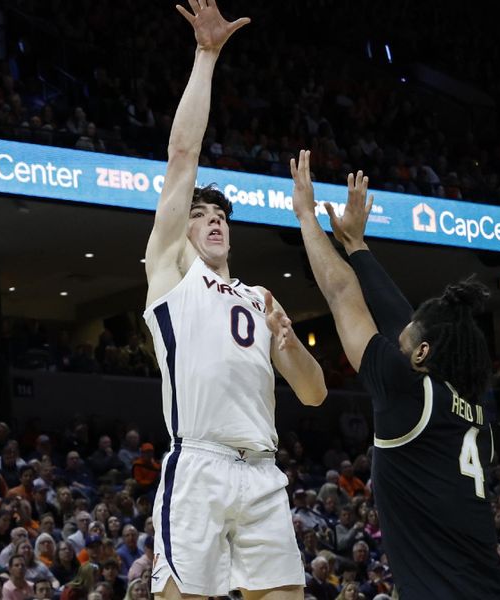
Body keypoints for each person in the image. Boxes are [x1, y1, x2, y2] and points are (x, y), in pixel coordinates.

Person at [142, 3, 326, 600]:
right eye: (200, 215)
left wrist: (289, 340)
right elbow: (182, 157)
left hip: (262, 471)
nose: (213, 221)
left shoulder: (259, 298)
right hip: (198, 464)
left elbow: (314, 392)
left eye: (220, 215)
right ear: (183, 230)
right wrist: (206, 57)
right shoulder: (171, 273)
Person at [290, 149, 500, 599]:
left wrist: (306, 217)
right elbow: (399, 316)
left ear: (423, 352)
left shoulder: (408, 392)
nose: (396, 336)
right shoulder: (473, 412)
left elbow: (341, 291)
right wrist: (355, 244)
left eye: (405, 338)